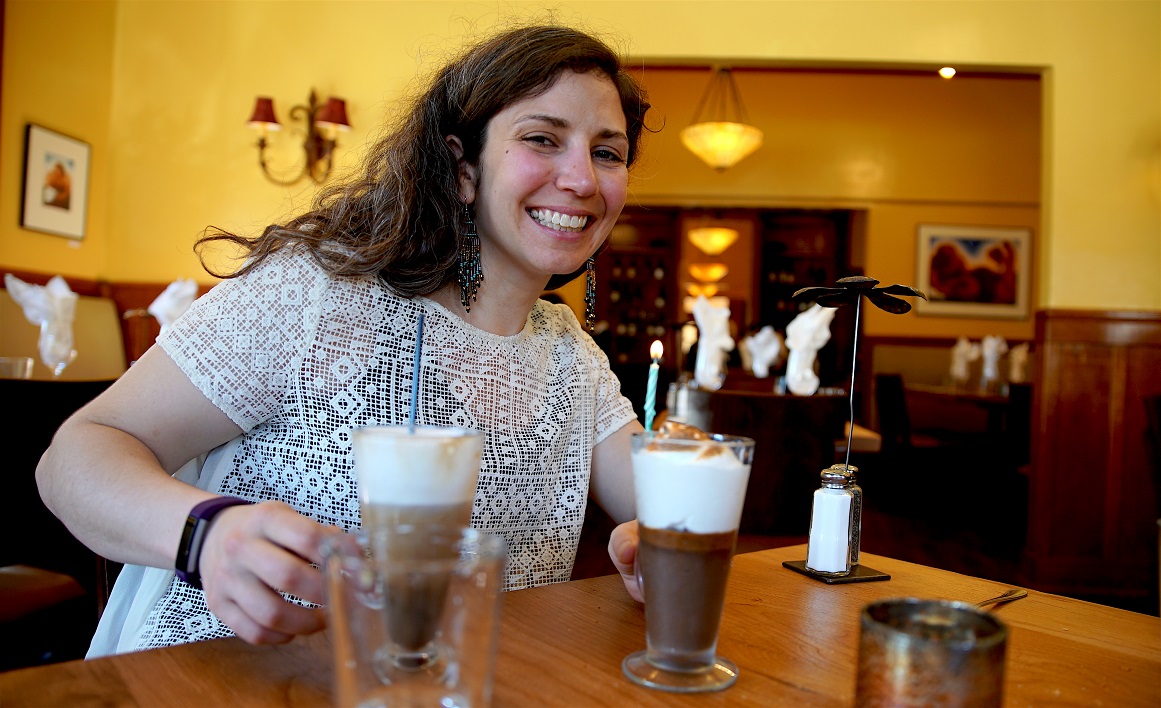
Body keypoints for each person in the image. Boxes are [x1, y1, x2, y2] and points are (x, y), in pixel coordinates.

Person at [36, 24, 648, 657]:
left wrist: (656, 542)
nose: (582, 179)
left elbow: (663, 504)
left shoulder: (571, 355)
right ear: (463, 169)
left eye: (608, 153)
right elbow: (75, 457)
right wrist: (203, 536)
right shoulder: (320, 294)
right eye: (542, 139)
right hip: (230, 683)